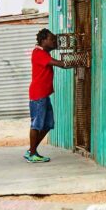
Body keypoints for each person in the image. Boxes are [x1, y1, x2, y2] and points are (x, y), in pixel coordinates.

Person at [26, 29, 70, 163]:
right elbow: (59, 64)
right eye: (52, 39)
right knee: (36, 125)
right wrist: (80, 60)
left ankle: (31, 150)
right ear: (43, 41)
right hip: (38, 95)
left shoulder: (42, 52)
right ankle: (32, 154)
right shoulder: (39, 53)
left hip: (43, 95)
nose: (54, 42)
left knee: (48, 124)